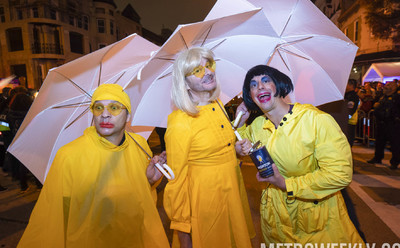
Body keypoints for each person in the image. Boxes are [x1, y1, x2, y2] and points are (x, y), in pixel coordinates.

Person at [18, 84, 170, 248]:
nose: (105, 114)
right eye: (98, 108)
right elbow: (50, 216)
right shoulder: (69, 155)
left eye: (114, 107)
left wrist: (149, 180)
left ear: (127, 116)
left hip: (136, 239)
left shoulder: (139, 144)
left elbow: (141, 198)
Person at [235, 65, 364, 244]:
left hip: (316, 224)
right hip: (275, 223)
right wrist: (239, 126)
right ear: (250, 96)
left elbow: (339, 174)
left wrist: (287, 184)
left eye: (266, 80)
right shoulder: (257, 125)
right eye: (253, 84)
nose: (260, 87)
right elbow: (239, 146)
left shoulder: (315, 120)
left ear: (279, 85)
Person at [163, 47, 255, 247]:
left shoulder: (218, 105)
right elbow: (176, 182)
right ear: (185, 83)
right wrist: (184, 233)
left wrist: (237, 145)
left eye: (209, 65)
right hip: (206, 207)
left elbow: (222, 149)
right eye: (197, 70)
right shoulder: (180, 122)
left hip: (232, 195)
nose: (208, 72)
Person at [367, 81, 400, 170]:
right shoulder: (382, 97)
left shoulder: (397, 97)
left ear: (393, 87)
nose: (385, 87)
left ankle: (395, 162)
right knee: (379, 142)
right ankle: (377, 158)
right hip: (382, 123)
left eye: (388, 85)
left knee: (395, 144)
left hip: (392, 123)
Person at [345, 79, 360, 148]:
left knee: (348, 141)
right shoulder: (346, 94)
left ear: (351, 85)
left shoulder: (353, 96)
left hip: (349, 122)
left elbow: (350, 110)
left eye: (346, 84)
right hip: (346, 121)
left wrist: (345, 118)